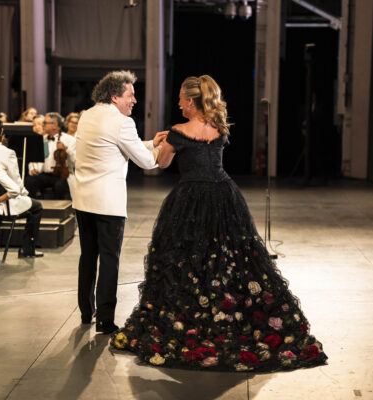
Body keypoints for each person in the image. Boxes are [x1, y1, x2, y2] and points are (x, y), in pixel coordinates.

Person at [111, 75, 328, 372]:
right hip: (224, 195)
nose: (178, 104)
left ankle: (189, 316)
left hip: (189, 198)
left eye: (180, 99)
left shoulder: (178, 131)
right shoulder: (219, 128)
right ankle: (229, 311)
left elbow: (161, 164)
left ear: (190, 101)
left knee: (186, 257)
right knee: (229, 257)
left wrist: (159, 143)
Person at [72, 70, 166, 334]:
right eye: (130, 95)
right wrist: (165, 149)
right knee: (110, 260)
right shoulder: (123, 122)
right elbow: (147, 163)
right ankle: (105, 320)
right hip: (108, 204)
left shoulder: (87, 115)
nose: (134, 100)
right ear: (114, 96)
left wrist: (149, 143)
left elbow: (109, 146)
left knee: (88, 257)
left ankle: (85, 312)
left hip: (83, 200)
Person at [0, 117, 43, 257]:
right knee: (37, 207)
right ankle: (27, 249)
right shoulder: (6, 152)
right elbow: (16, 183)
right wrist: (24, 193)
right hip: (0, 203)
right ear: (2, 131)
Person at [25, 112, 76, 199]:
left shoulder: (70, 140)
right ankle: (32, 208)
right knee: (29, 181)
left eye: (45, 123)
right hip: (45, 174)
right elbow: (33, 160)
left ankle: (59, 211)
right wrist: (32, 169)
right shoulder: (42, 139)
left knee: (59, 186)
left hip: (62, 175)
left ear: (55, 125)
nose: (42, 125)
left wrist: (66, 150)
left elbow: (75, 161)